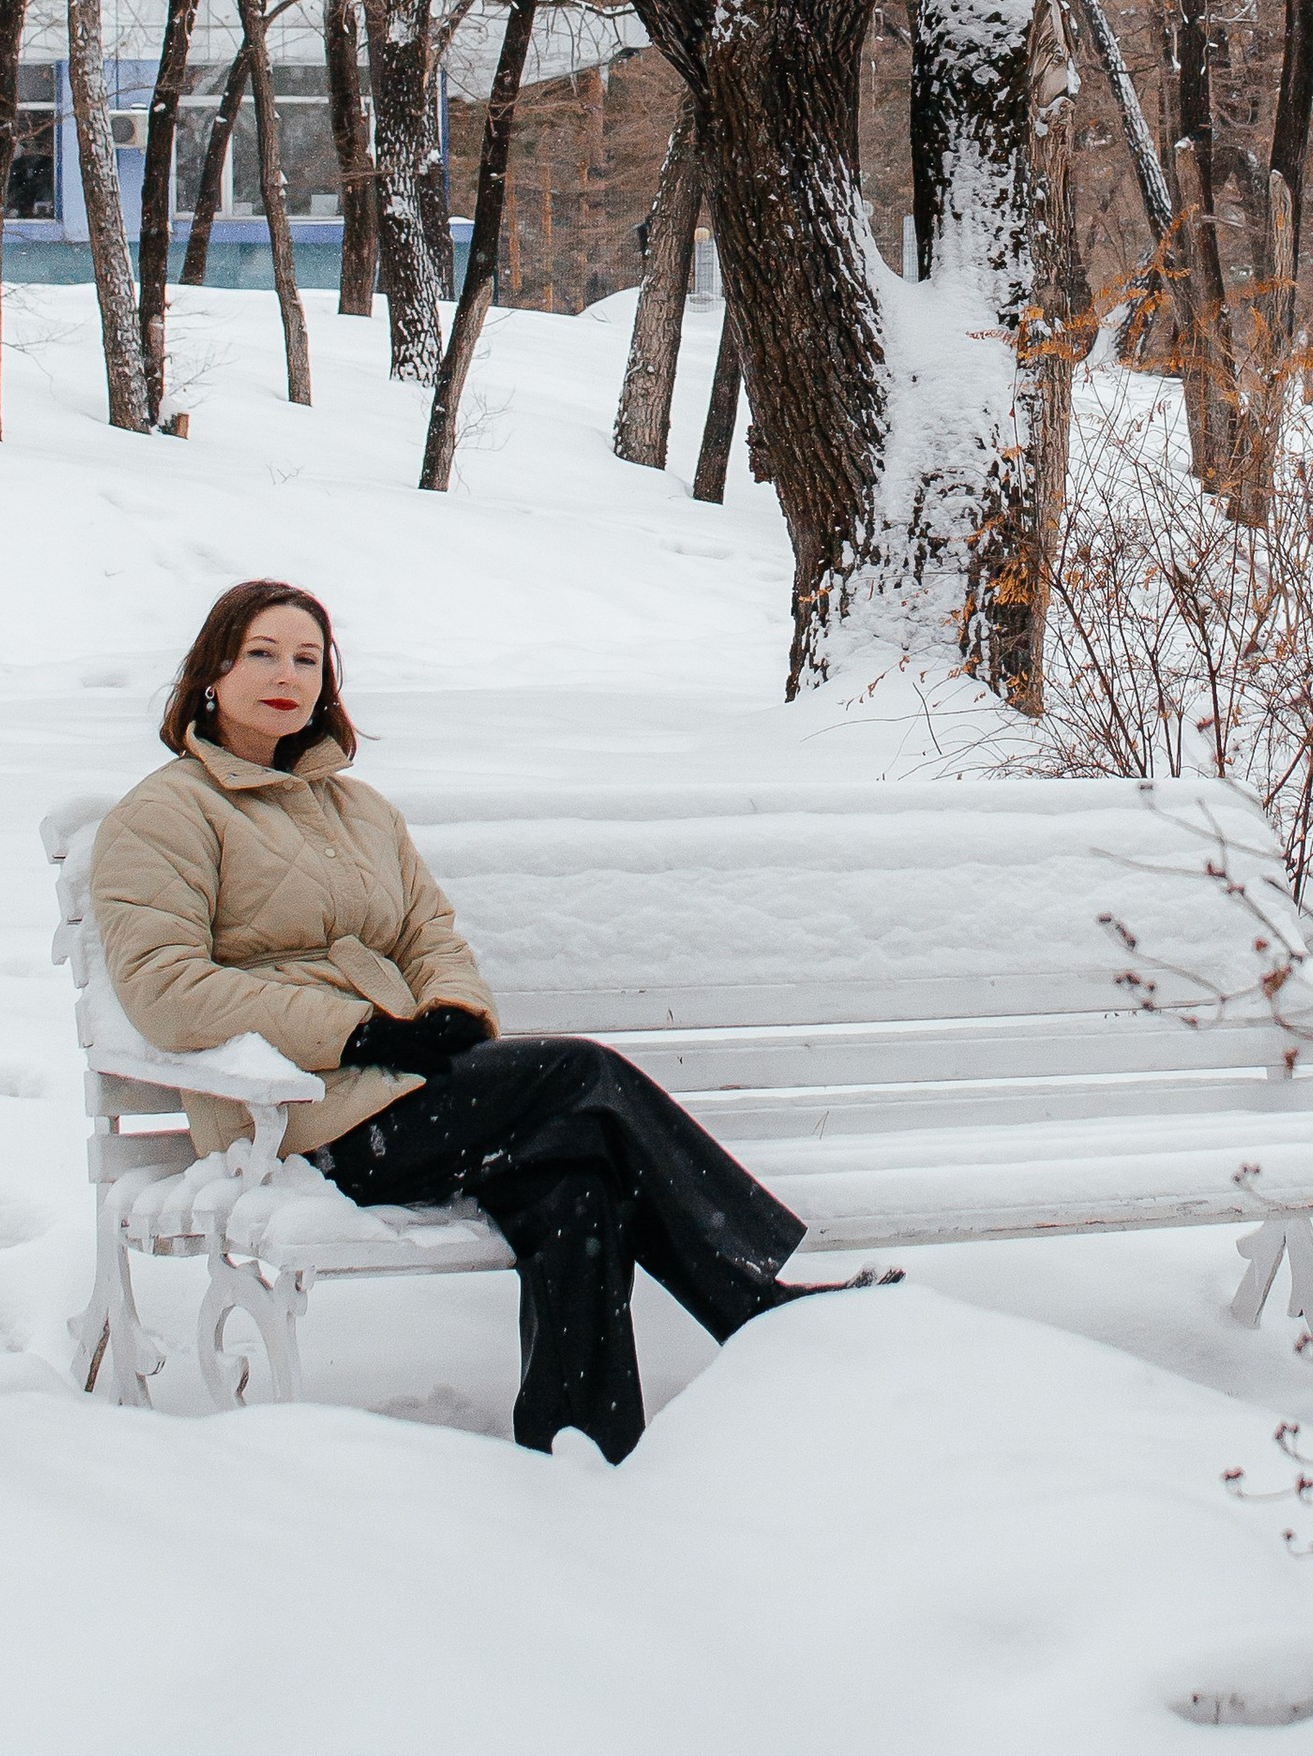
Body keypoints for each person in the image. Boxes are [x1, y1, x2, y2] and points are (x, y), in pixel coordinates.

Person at [92, 576, 887, 1460]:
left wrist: (453, 1015)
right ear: (212, 672)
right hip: (295, 1122)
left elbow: (430, 932)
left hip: (410, 1090)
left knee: (577, 1181)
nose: (287, 675)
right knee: (582, 1075)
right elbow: (165, 988)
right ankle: (749, 1301)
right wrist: (356, 1032)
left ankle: (580, 1451)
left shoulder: (360, 811)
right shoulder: (166, 813)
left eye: (308, 659)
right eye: (262, 654)